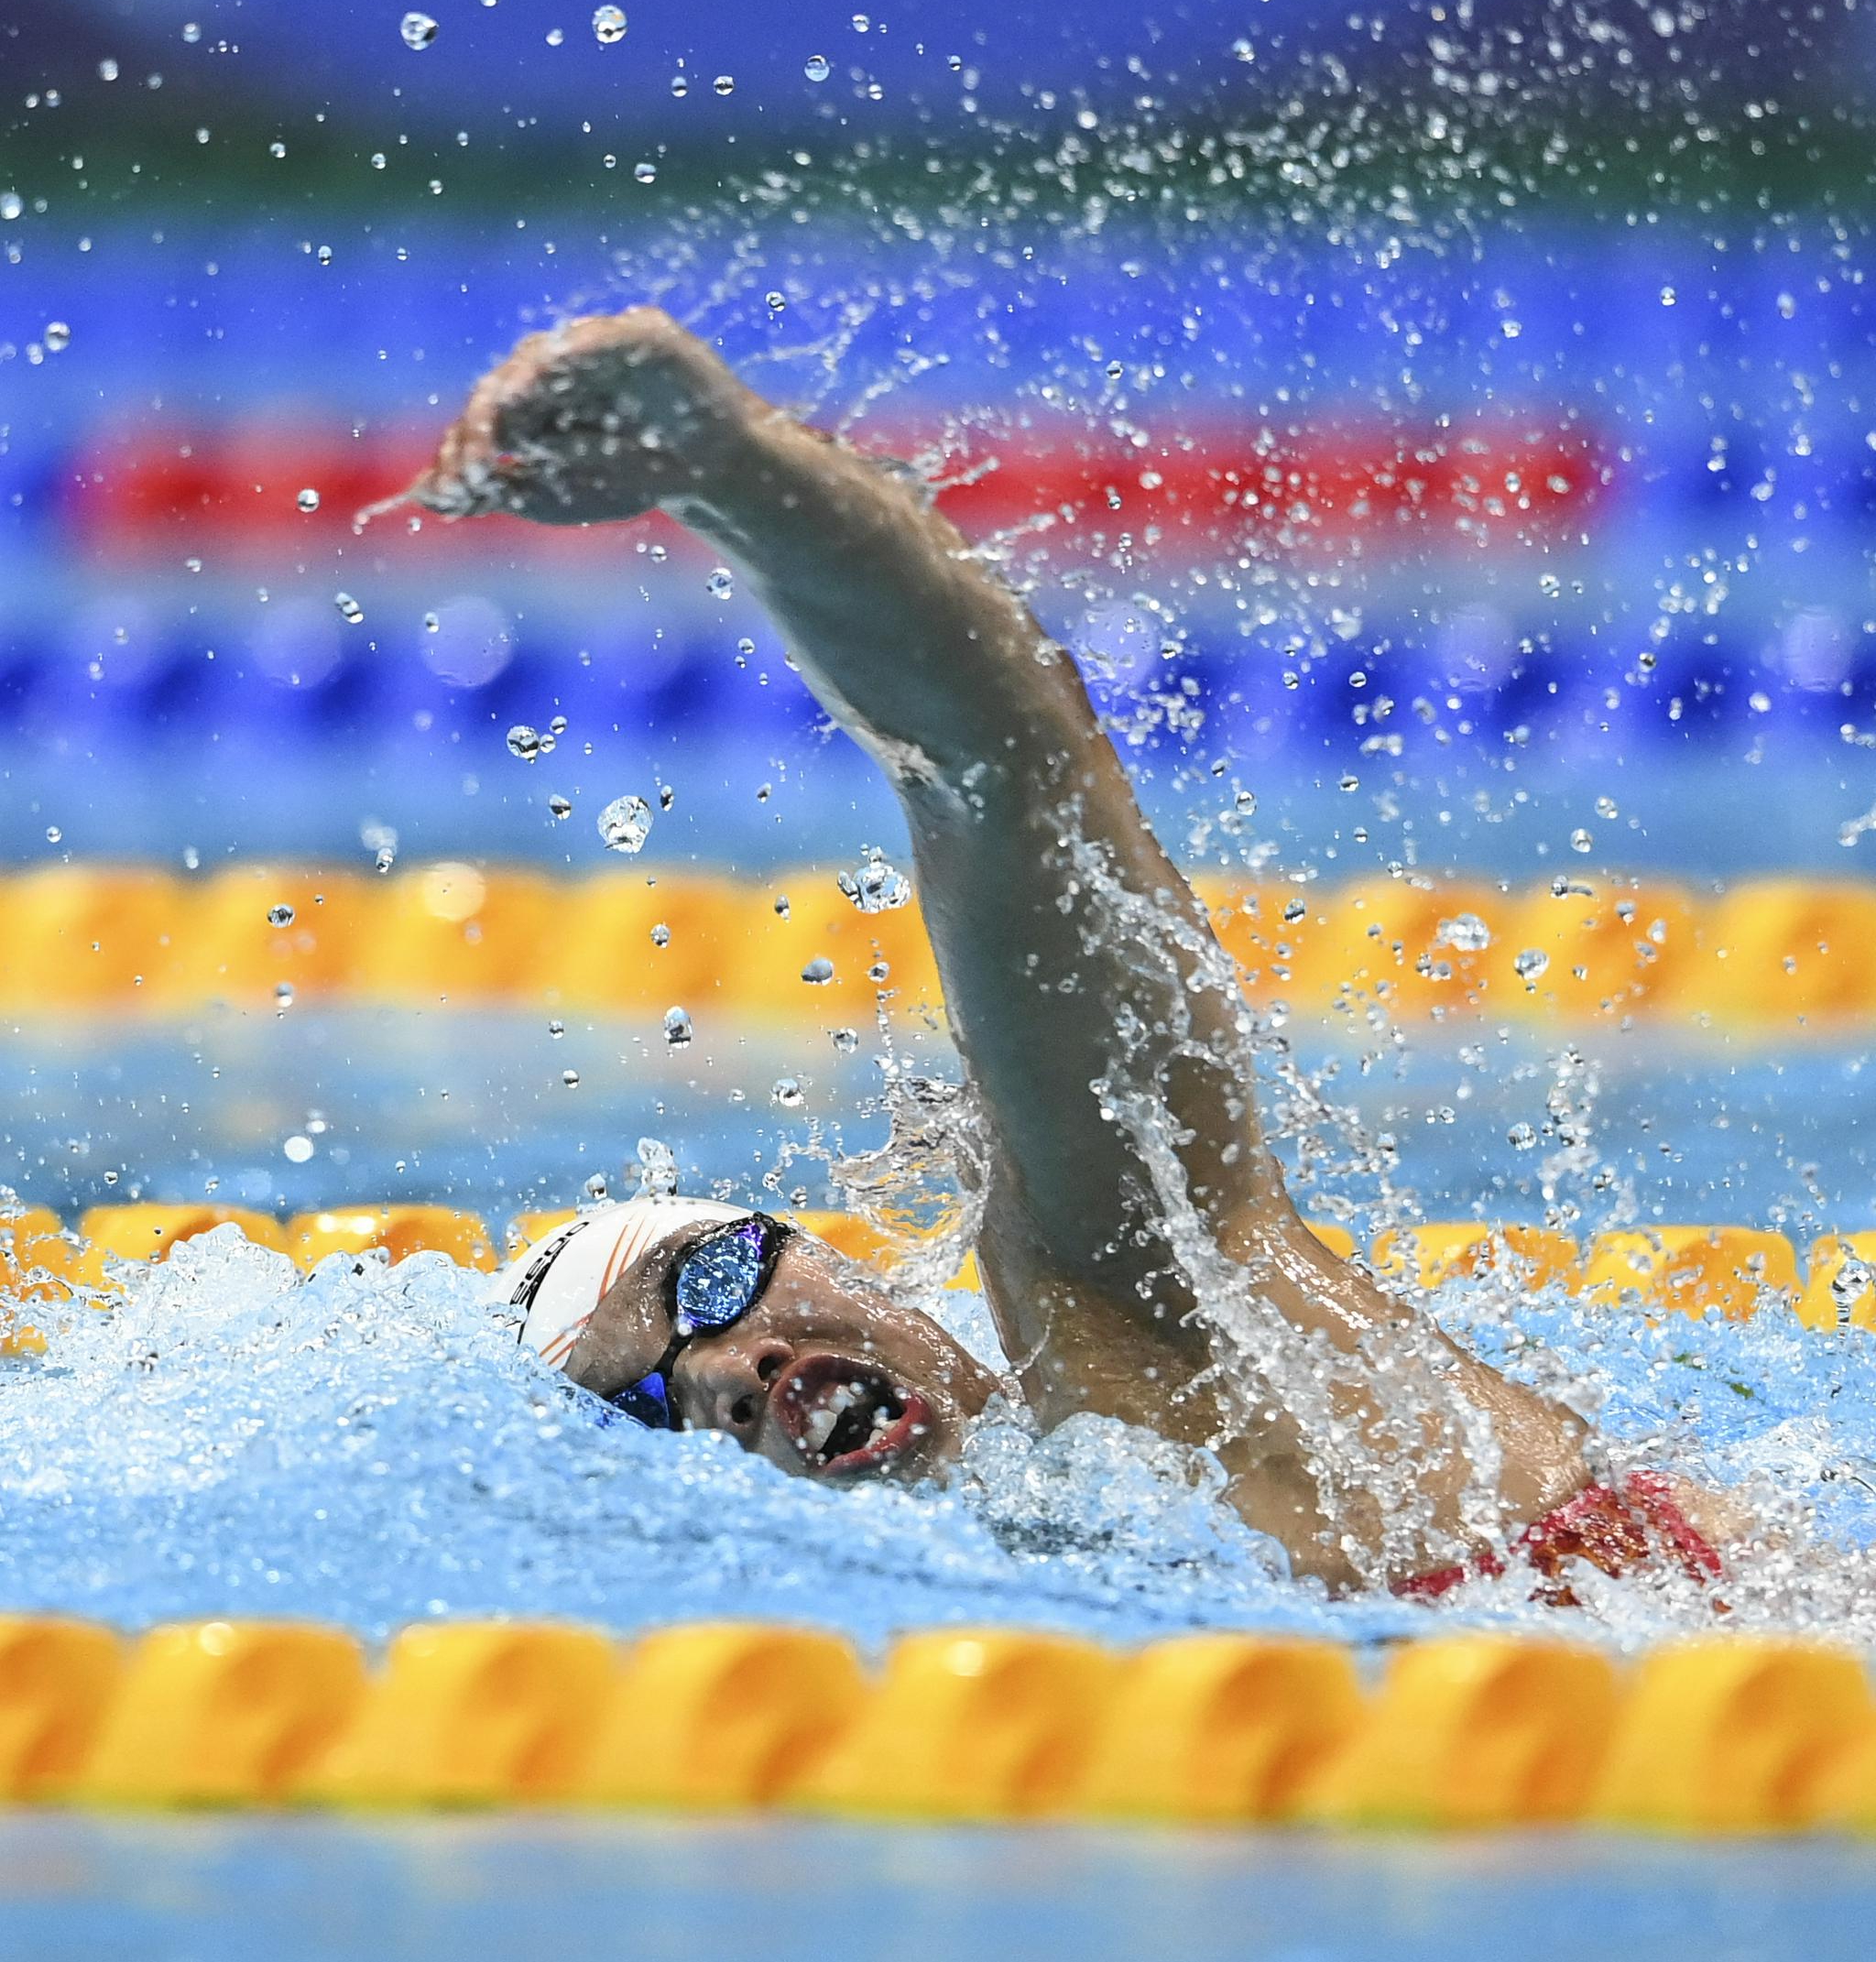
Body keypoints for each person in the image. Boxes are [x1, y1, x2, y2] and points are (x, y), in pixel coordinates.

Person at [396, 308, 1726, 1599]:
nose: (727, 1371)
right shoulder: (1043, 1560)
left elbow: (1001, 769)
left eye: (713, 1278)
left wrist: (730, 467)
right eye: (646, 1409)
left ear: (825, 1248)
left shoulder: (1130, 1304)